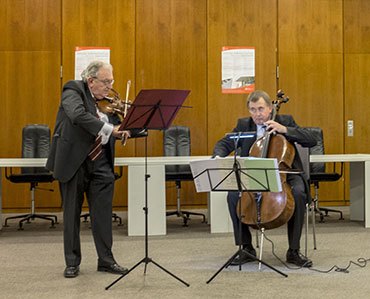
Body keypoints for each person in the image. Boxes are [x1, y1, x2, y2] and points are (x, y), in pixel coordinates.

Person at [212, 90, 316, 267]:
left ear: (269, 108)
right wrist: (217, 156)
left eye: (260, 109)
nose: (257, 114)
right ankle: (246, 248)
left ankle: (294, 251)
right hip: (253, 174)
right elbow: (224, 143)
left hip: (286, 173)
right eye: (252, 110)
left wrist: (284, 130)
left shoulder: (286, 121)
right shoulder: (243, 125)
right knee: (232, 196)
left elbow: (311, 139)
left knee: (298, 194)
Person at [46, 61, 131, 278]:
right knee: (72, 214)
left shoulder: (107, 102)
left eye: (111, 81)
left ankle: (106, 260)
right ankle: (72, 262)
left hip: (101, 161)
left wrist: (128, 125)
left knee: (102, 215)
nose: (110, 87)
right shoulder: (73, 89)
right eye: (106, 82)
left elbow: (118, 127)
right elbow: (77, 115)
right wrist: (111, 129)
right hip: (74, 162)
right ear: (91, 81)